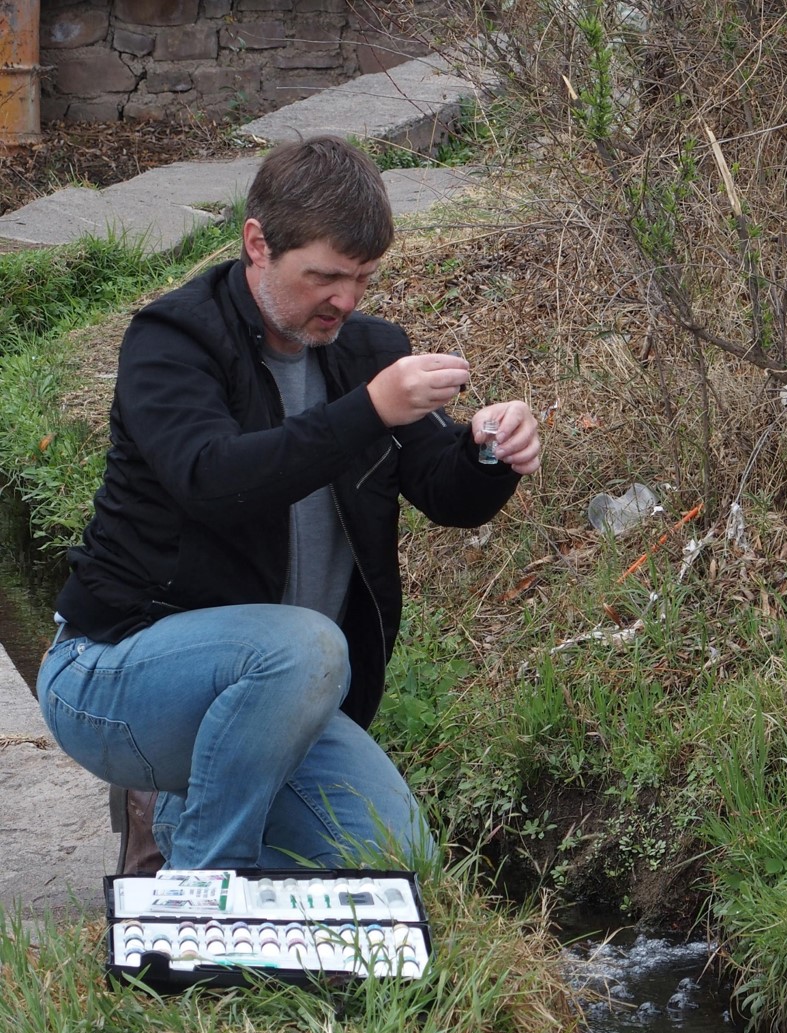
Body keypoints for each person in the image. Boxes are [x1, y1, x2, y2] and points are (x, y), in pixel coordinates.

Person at [36, 136, 540, 873]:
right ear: (256, 245)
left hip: (280, 700)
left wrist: (488, 449)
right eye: (326, 276)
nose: (347, 300)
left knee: (403, 860)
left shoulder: (369, 352)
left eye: (363, 278)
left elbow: (444, 489)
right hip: (109, 678)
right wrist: (368, 411)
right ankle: (203, 889)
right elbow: (211, 478)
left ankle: (186, 809)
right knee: (303, 644)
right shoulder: (172, 339)